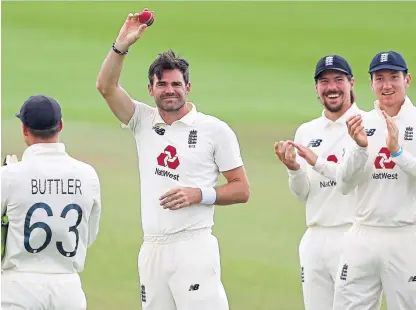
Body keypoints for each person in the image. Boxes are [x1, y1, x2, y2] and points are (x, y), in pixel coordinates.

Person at [95, 10, 250, 310]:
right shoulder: (142, 120)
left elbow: (242, 189)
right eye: (162, 84)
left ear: (188, 87)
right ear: (151, 89)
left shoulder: (214, 130)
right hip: (152, 248)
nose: (170, 90)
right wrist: (121, 45)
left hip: (193, 245)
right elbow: (106, 87)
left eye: (176, 84)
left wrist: (199, 195)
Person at [275, 55, 367, 310]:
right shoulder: (307, 131)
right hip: (315, 236)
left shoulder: (368, 125)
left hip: (353, 232)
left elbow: (350, 180)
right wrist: (294, 169)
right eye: (324, 81)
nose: (332, 87)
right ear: (316, 88)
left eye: (339, 80)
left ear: (351, 83)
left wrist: (317, 162)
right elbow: (303, 194)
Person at [1, 95, 102, 310]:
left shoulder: (9, 175)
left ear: (25, 130)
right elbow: (89, 235)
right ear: (61, 126)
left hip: (18, 287)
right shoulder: (88, 175)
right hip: (68, 290)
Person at [333, 51, 416, 310]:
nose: (387, 85)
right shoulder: (360, 123)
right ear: (371, 84)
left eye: (394, 77)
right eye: (379, 78)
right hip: (363, 234)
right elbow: (344, 184)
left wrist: (398, 153)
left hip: (405, 234)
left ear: (407, 80)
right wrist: (359, 149)